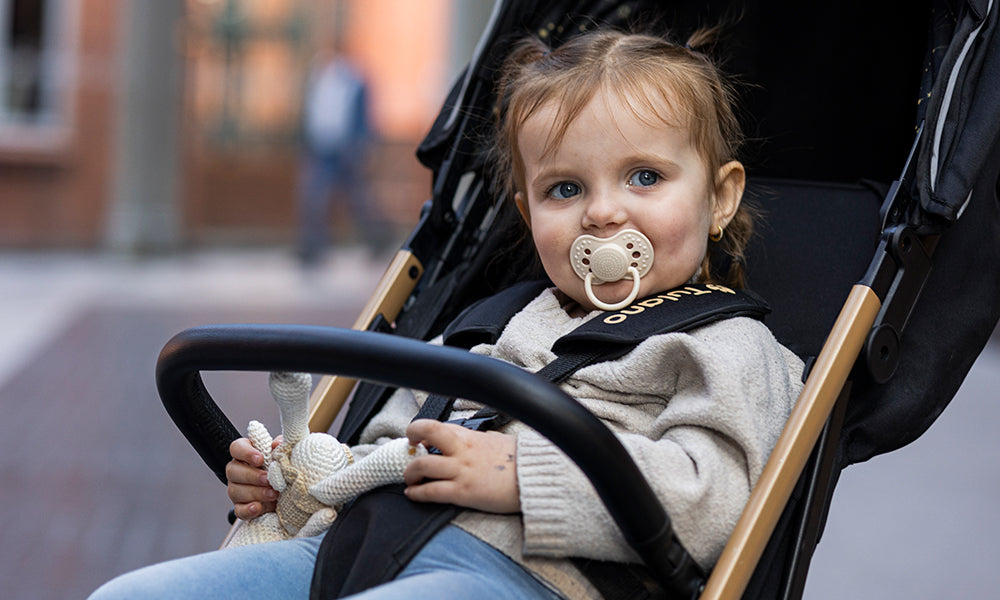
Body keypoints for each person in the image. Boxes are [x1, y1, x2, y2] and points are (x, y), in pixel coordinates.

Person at [89, 28, 804, 600]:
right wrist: (300, 481)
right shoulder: (485, 324)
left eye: (644, 176)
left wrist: (524, 472)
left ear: (719, 198)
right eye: (564, 188)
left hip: (530, 578)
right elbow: (389, 452)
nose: (604, 210)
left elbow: (716, 501)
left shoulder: (728, 346)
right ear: (527, 215)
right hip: (355, 553)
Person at [296, 40, 383, 266]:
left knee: (358, 201)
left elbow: (363, 116)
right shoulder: (319, 79)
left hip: (347, 149)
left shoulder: (354, 81)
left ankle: (378, 239)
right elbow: (314, 114)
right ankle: (313, 247)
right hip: (324, 147)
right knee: (315, 196)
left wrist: (361, 146)